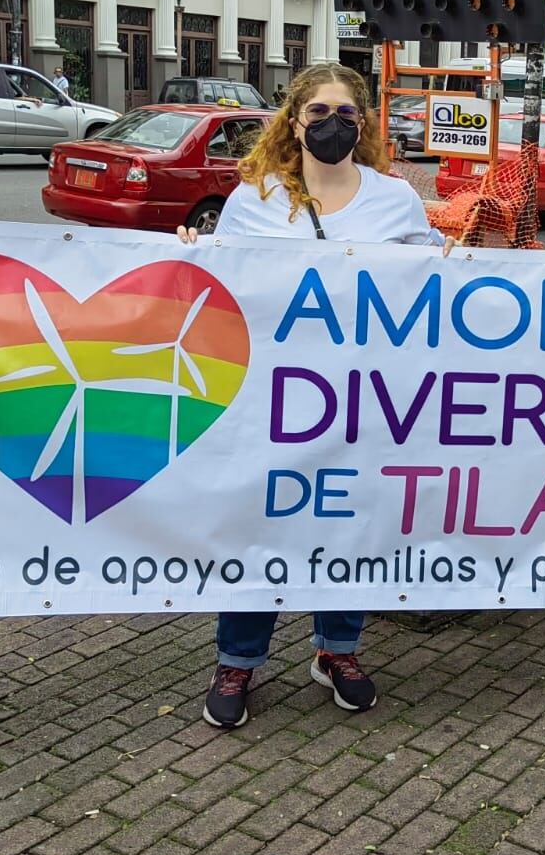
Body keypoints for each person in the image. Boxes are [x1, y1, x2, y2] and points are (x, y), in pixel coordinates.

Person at [175, 63, 456, 730]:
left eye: (346, 113)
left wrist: (458, 267)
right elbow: (225, 292)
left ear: (363, 125)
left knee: (348, 523)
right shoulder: (255, 199)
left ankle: (339, 650)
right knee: (263, 523)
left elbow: (426, 285)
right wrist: (192, 256)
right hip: (274, 401)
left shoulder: (394, 200)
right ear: (293, 121)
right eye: (318, 111)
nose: (332, 123)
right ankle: (238, 658)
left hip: (362, 400)